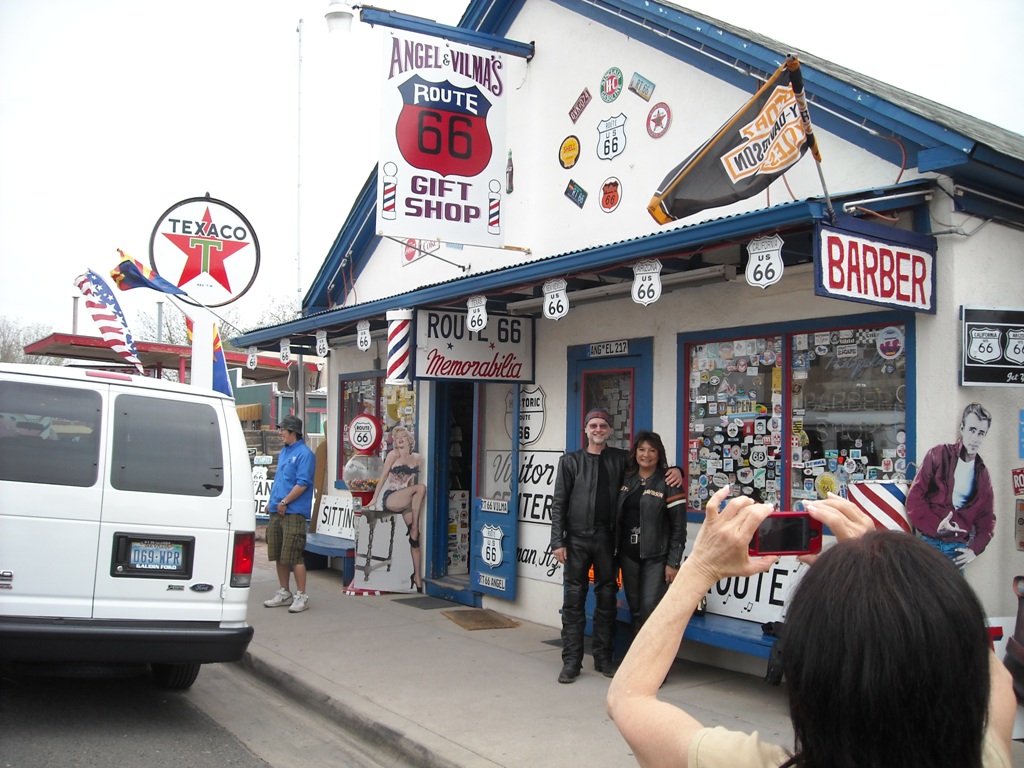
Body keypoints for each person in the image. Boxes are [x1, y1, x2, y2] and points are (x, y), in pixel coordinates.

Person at [607, 486, 1015, 768]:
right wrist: (892, 569)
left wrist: (700, 567)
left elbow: (629, 699)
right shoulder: (988, 756)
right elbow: (988, 672)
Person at [550, 408, 682, 684]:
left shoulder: (621, 459)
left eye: (603, 426)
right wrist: (557, 541)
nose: (598, 430)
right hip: (576, 539)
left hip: (607, 539)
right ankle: (571, 661)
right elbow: (559, 503)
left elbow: (651, 467)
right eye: (593, 425)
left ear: (609, 430)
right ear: (586, 429)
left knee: (607, 599)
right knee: (573, 600)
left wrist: (677, 470)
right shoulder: (570, 462)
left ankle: (603, 658)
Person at [614, 431, 686, 636]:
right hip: (628, 556)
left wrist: (673, 562)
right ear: (635, 452)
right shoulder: (626, 478)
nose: (646, 455)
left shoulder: (669, 481)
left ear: (659, 453)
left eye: (652, 450)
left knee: (650, 607)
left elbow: (679, 527)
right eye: (642, 449)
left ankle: (655, 654)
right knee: (635, 610)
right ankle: (639, 655)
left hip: (656, 558)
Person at [907, 402, 995, 569]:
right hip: (929, 543)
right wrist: (936, 527)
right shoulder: (938, 455)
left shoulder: (982, 474)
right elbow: (914, 499)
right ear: (962, 428)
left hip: (956, 549)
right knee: (922, 586)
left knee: (952, 588)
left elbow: (987, 519)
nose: (975, 438)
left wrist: (974, 550)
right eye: (972, 430)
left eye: (981, 433)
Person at [263, 414, 317, 613]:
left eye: (283, 430)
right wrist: (272, 502)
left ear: (293, 431)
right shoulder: (284, 451)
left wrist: (285, 501)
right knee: (279, 553)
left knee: (294, 554)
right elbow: (280, 480)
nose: (280, 433)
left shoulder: (305, 454)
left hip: (294, 512)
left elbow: (303, 483)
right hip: (277, 509)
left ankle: (301, 595)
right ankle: (284, 591)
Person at [365, 425, 427, 592]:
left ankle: (417, 576)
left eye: (402, 436)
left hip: (406, 501)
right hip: (392, 497)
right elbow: (384, 476)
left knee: (415, 541)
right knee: (421, 488)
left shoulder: (417, 458)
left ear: (409, 440)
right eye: (396, 437)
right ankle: (415, 527)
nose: (399, 439)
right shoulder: (393, 455)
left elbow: (411, 483)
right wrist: (374, 498)